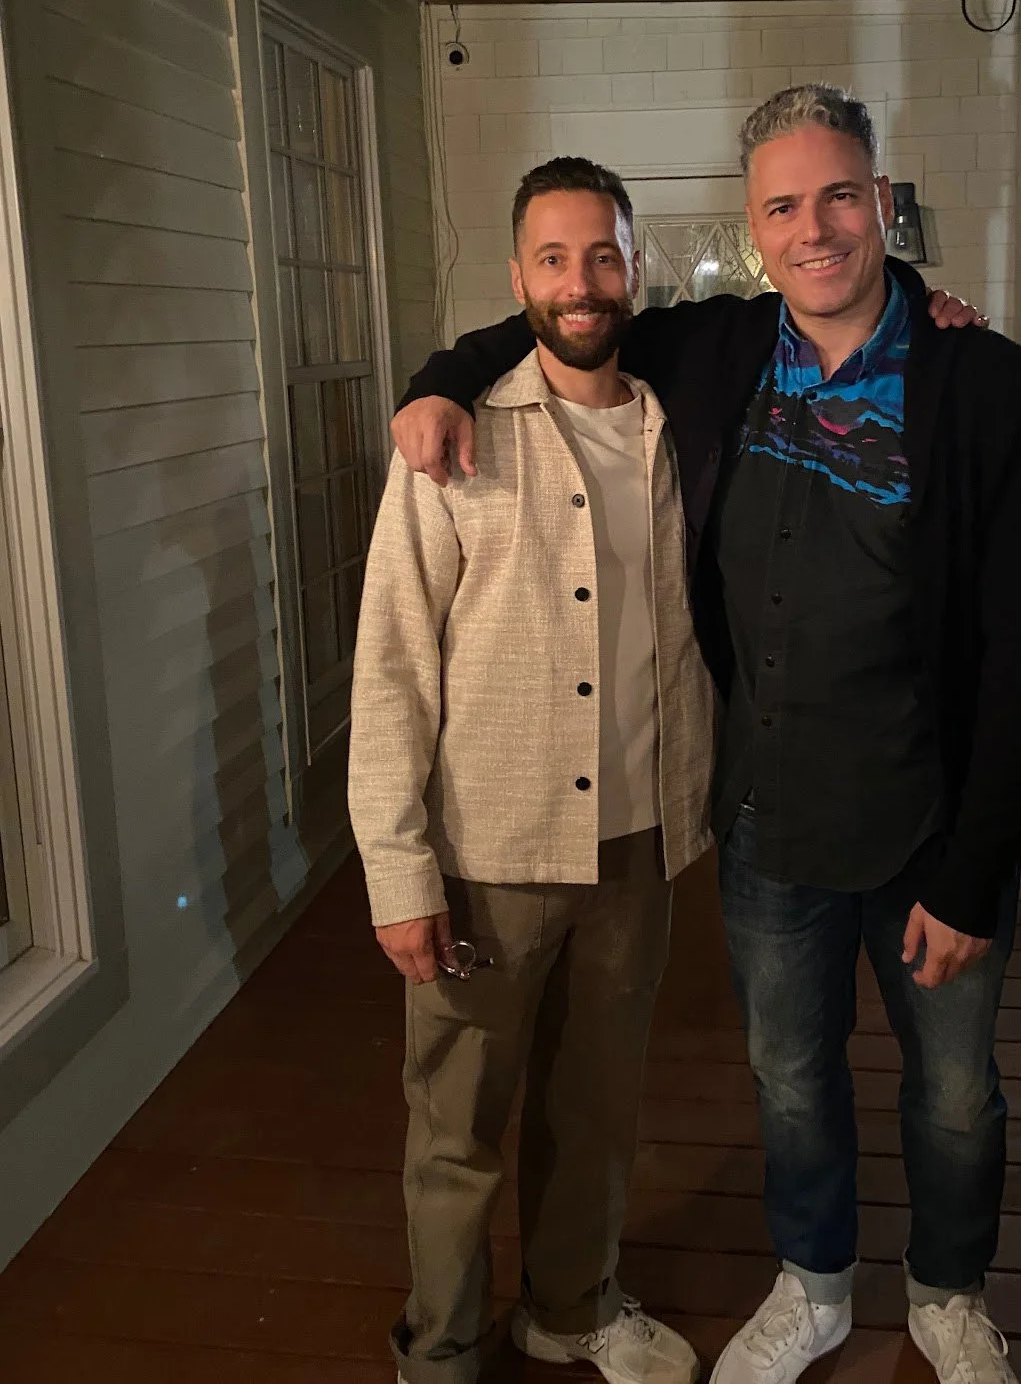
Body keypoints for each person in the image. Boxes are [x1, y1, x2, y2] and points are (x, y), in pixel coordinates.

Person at [392, 88, 1021, 1384]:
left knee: (950, 1091)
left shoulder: (984, 386)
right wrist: (436, 379)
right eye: (783, 205)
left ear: (883, 201)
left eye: (839, 195)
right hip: (766, 825)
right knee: (791, 1075)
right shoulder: (719, 349)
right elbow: (564, 319)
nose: (813, 227)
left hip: (933, 821)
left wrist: (981, 861)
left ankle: (947, 1293)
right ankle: (816, 1283)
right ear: (755, 229)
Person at [348, 157, 718, 1384]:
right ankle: (443, 1350)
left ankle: (570, 1305)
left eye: (602, 255)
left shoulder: (675, 421)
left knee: (597, 1106)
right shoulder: (453, 439)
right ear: (517, 280)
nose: (580, 281)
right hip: (488, 850)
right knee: (456, 1124)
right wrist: (400, 871)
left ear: (635, 268)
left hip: (637, 844)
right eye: (553, 258)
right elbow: (392, 664)